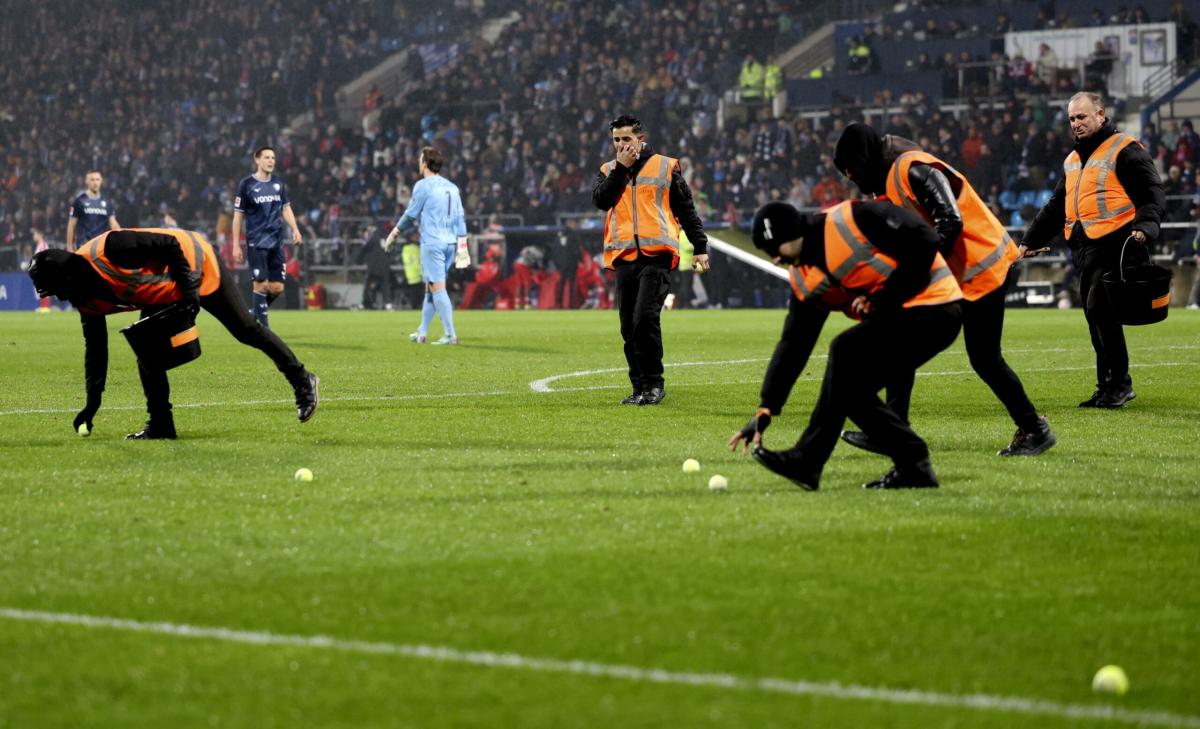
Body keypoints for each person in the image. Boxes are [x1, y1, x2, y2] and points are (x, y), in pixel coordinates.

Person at [833, 122, 1056, 456]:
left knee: (983, 358)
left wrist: (916, 267)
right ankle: (893, 430)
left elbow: (950, 222)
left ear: (865, 158)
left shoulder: (912, 168)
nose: (854, 179)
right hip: (964, 273)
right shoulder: (893, 177)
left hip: (983, 269)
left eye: (854, 171)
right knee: (906, 344)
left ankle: (1035, 429)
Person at [730, 200, 963, 489]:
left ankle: (811, 461)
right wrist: (767, 407)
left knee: (844, 352)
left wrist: (884, 298)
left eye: (773, 249)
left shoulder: (852, 219)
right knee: (848, 388)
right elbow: (794, 342)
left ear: (791, 235)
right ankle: (908, 465)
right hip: (906, 316)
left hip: (938, 307)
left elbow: (926, 239)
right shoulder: (804, 274)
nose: (774, 260)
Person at [27, 228, 319, 439]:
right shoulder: (85, 299)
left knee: (246, 330)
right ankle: (161, 425)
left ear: (67, 277)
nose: (59, 299)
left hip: (196, 263)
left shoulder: (112, 247)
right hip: (163, 293)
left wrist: (191, 293)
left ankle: (302, 381)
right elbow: (96, 350)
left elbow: (168, 244)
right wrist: (92, 403)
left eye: (57, 291)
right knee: (146, 350)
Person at [1023, 92, 1165, 408]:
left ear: (1100, 115)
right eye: (1072, 118)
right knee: (1094, 314)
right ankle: (1109, 385)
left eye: (1082, 116)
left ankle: (1119, 385)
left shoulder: (1124, 149)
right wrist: (1029, 241)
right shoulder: (1073, 160)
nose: (1076, 123)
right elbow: (1056, 206)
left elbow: (1152, 192)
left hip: (1121, 243)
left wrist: (1146, 227)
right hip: (1088, 247)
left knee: (1100, 307)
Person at [592, 114, 710, 406]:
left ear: (640, 139)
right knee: (628, 327)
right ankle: (638, 387)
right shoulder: (609, 170)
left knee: (645, 318)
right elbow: (601, 201)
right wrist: (622, 169)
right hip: (624, 257)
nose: (621, 145)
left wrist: (700, 246)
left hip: (657, 255)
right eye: (616, 140)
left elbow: (686, 209)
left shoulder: (666, 166)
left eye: (626, 139)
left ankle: (654, 384)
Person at [384, 147, 466, 345]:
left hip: (433, 243)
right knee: (431, 288)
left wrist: (393, 233)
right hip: (450, 243)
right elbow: (460, 219)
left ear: (425, 163)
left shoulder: (423, 186)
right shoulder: (452, 187)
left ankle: (450, 334)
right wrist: (463, 247)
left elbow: (410, 215)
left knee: (438, 288)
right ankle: (422, 331)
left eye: (420, 159)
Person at [231, 146, 304, 330]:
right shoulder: (246, 184)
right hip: (257, 242)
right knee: (261, 285)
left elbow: (286, 208)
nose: (271, 161)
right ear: (257, 160)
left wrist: (295, 229)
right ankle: (264, 330)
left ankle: (254, 313)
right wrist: (235, 245)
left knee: (277, 288)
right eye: (267, 157)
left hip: (277, 242)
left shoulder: (278, 183)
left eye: (273, 157)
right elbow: (238, 215)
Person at [66, 170, 120, 252]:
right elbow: (71, 225)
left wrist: (121, 237)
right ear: (86, 181)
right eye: (92, 179)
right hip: (83, 248)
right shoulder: (79, 201)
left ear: (101, 181)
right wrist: (69, 247)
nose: (95, 183)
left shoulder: (107, 202)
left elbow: (113, 224)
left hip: (100, 250)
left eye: (97, 179)